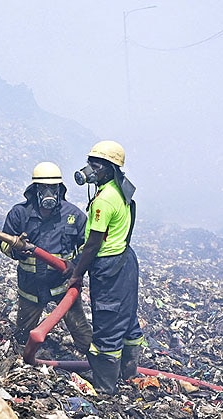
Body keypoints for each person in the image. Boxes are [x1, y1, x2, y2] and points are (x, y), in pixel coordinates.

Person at [64, 140, 143, 394]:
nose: (90, 170)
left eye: (97, 165)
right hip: (126, 259)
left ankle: (105, 386)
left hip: (109, 266)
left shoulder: (104, 200)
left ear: (111, 169)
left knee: (107, 324)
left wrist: (77, 274)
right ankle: (128, 374)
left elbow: (93, 244)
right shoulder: (120, 189)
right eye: (90, 163)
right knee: (127, 319)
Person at [0, 162, 92, 355]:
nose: (49, 192)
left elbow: (89, 245)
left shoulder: (73, 215)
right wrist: (17, 251)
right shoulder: (19, 213)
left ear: (60, 189)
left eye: (53, 187)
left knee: (82, 334)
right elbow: (4, 243)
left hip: (63, 286)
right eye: (43, 187)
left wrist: (75, 264)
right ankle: (26, 359)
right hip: (31, 288)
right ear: (35, 189)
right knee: (22, 337)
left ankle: (93, 362)